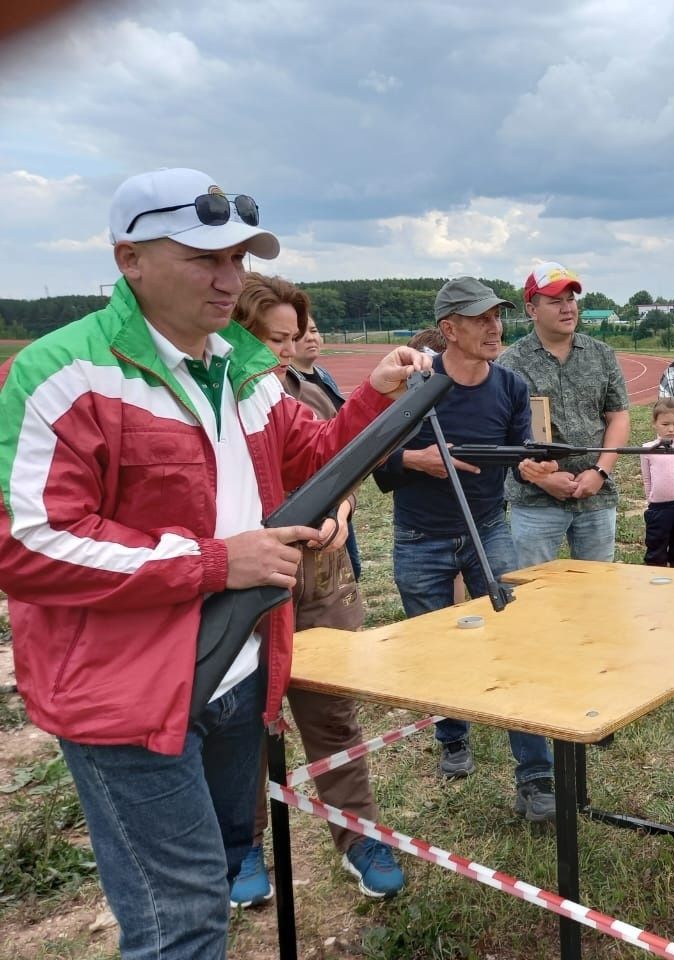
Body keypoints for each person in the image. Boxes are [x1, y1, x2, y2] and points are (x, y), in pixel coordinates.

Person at [0, 167, 430, 960]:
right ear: (129, 258)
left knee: (223, 864)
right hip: (127, 697)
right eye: (203, 258)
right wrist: (211, 563)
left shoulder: (241, 371)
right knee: (184, 917)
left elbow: (318, 458)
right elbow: (29, 548)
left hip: (241, 675)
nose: (229, 279)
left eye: (237, 258)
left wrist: (374, 394)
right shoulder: (64, 374)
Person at [229, 274, 404, 906]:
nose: (283, 353)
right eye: (271, 340)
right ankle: (242, 842)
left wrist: (341, 511)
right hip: (243, 589)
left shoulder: (299, 396)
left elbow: (336, 464)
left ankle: (358, 835)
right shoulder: (207, 405)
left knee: (332, 716)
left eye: (290, 338)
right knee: (241, 720)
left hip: (320, 583)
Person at [373, 277, 560, 821]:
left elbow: (516, 454)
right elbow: (369, 458)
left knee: (514, 645)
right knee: (434, 649)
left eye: (497, 317)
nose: (494, 327)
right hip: (419, 537)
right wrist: (416, 460)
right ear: (449, 330)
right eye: (480, 319)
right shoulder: (413, 387)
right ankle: (453, 733)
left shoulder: (510, 387)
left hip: (488, 529)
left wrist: (533, 467)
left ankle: (536, 774)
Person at [496, 262, 630, 566]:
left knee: (596, 590)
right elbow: (503, 434)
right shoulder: (509, 364)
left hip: (595, 496)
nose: (567, 308)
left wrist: (600, 472)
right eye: (556, 301)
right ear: (532, 309)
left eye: (571, 300)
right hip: (535, 502)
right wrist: (544, 480)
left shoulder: (602, 355)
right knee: (532, 590)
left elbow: (618, 417)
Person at [291, 313, 363, 580]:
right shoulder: (287, 386)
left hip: (339, 491)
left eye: (314, 329)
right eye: (300, 333)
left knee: (349, 567)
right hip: (317, 495)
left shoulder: (323, 376)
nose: (311, 337)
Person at [640, 397, 674, 568]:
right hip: (659, 509)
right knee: (656, 552)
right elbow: (647, 477)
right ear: (654, 423)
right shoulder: (647, 449)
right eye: (665, 424)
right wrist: (651, 500)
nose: (671, 429)